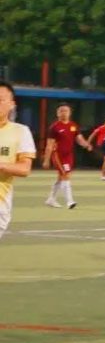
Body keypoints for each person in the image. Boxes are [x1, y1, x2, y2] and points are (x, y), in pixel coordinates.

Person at [0, 81, 36, 240]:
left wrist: (1, 165)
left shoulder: (20, 131)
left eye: (0, 100)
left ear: (11, 104)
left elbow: (25, 168)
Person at [42, 102, 91, 208]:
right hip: (58, 155)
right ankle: (70, 201)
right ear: (57, 113)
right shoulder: (54, 127)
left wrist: (86, 144)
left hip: (69, 155)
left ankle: (51, 199)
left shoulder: (73, 126)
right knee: (66, 175)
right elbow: (49, 145)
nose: (64, 113)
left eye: (66, 111)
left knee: (61, 177)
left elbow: (79, 138)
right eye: (61, 111)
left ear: (70, 113)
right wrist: (46, 160)